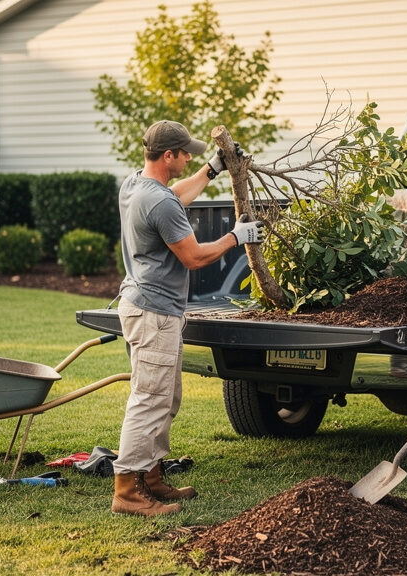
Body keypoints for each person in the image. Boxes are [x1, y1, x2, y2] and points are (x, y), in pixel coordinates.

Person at [112, 120, 263, 517]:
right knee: (149, 400)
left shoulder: (135, 185)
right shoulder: (159, 202)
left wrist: (213, 169)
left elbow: (176, 194)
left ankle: (151, 475)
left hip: (150, 308)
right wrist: (237, 237)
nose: (189, 159)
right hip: (154, 312)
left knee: (166, 398)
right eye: (185, 154)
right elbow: (194, 257)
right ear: (168, 156)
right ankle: (127, 490)